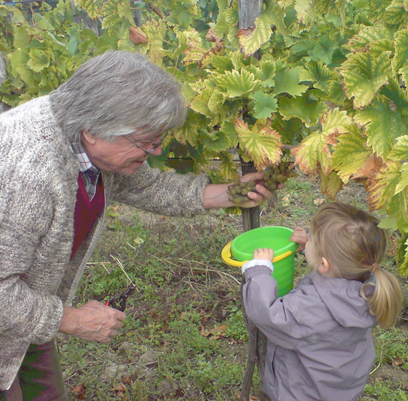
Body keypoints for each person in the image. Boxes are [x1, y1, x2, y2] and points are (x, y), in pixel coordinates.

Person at [0, 50, 278, 400]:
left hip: (26, 317)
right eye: (146, 142)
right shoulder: (27, 172)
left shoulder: (81, 137)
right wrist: (71, 319)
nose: (156, 151)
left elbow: (145, 185)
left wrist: (230, 194)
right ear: (93, 130)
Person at [242, 202, 404, 401]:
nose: (308, 240)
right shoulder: (368, 289)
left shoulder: (309, 307)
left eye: (312, 240)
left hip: (302, 393)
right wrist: (308, 247)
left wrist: (258, 271)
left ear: (324, 263)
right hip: (338, 387)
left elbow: (266, 314)